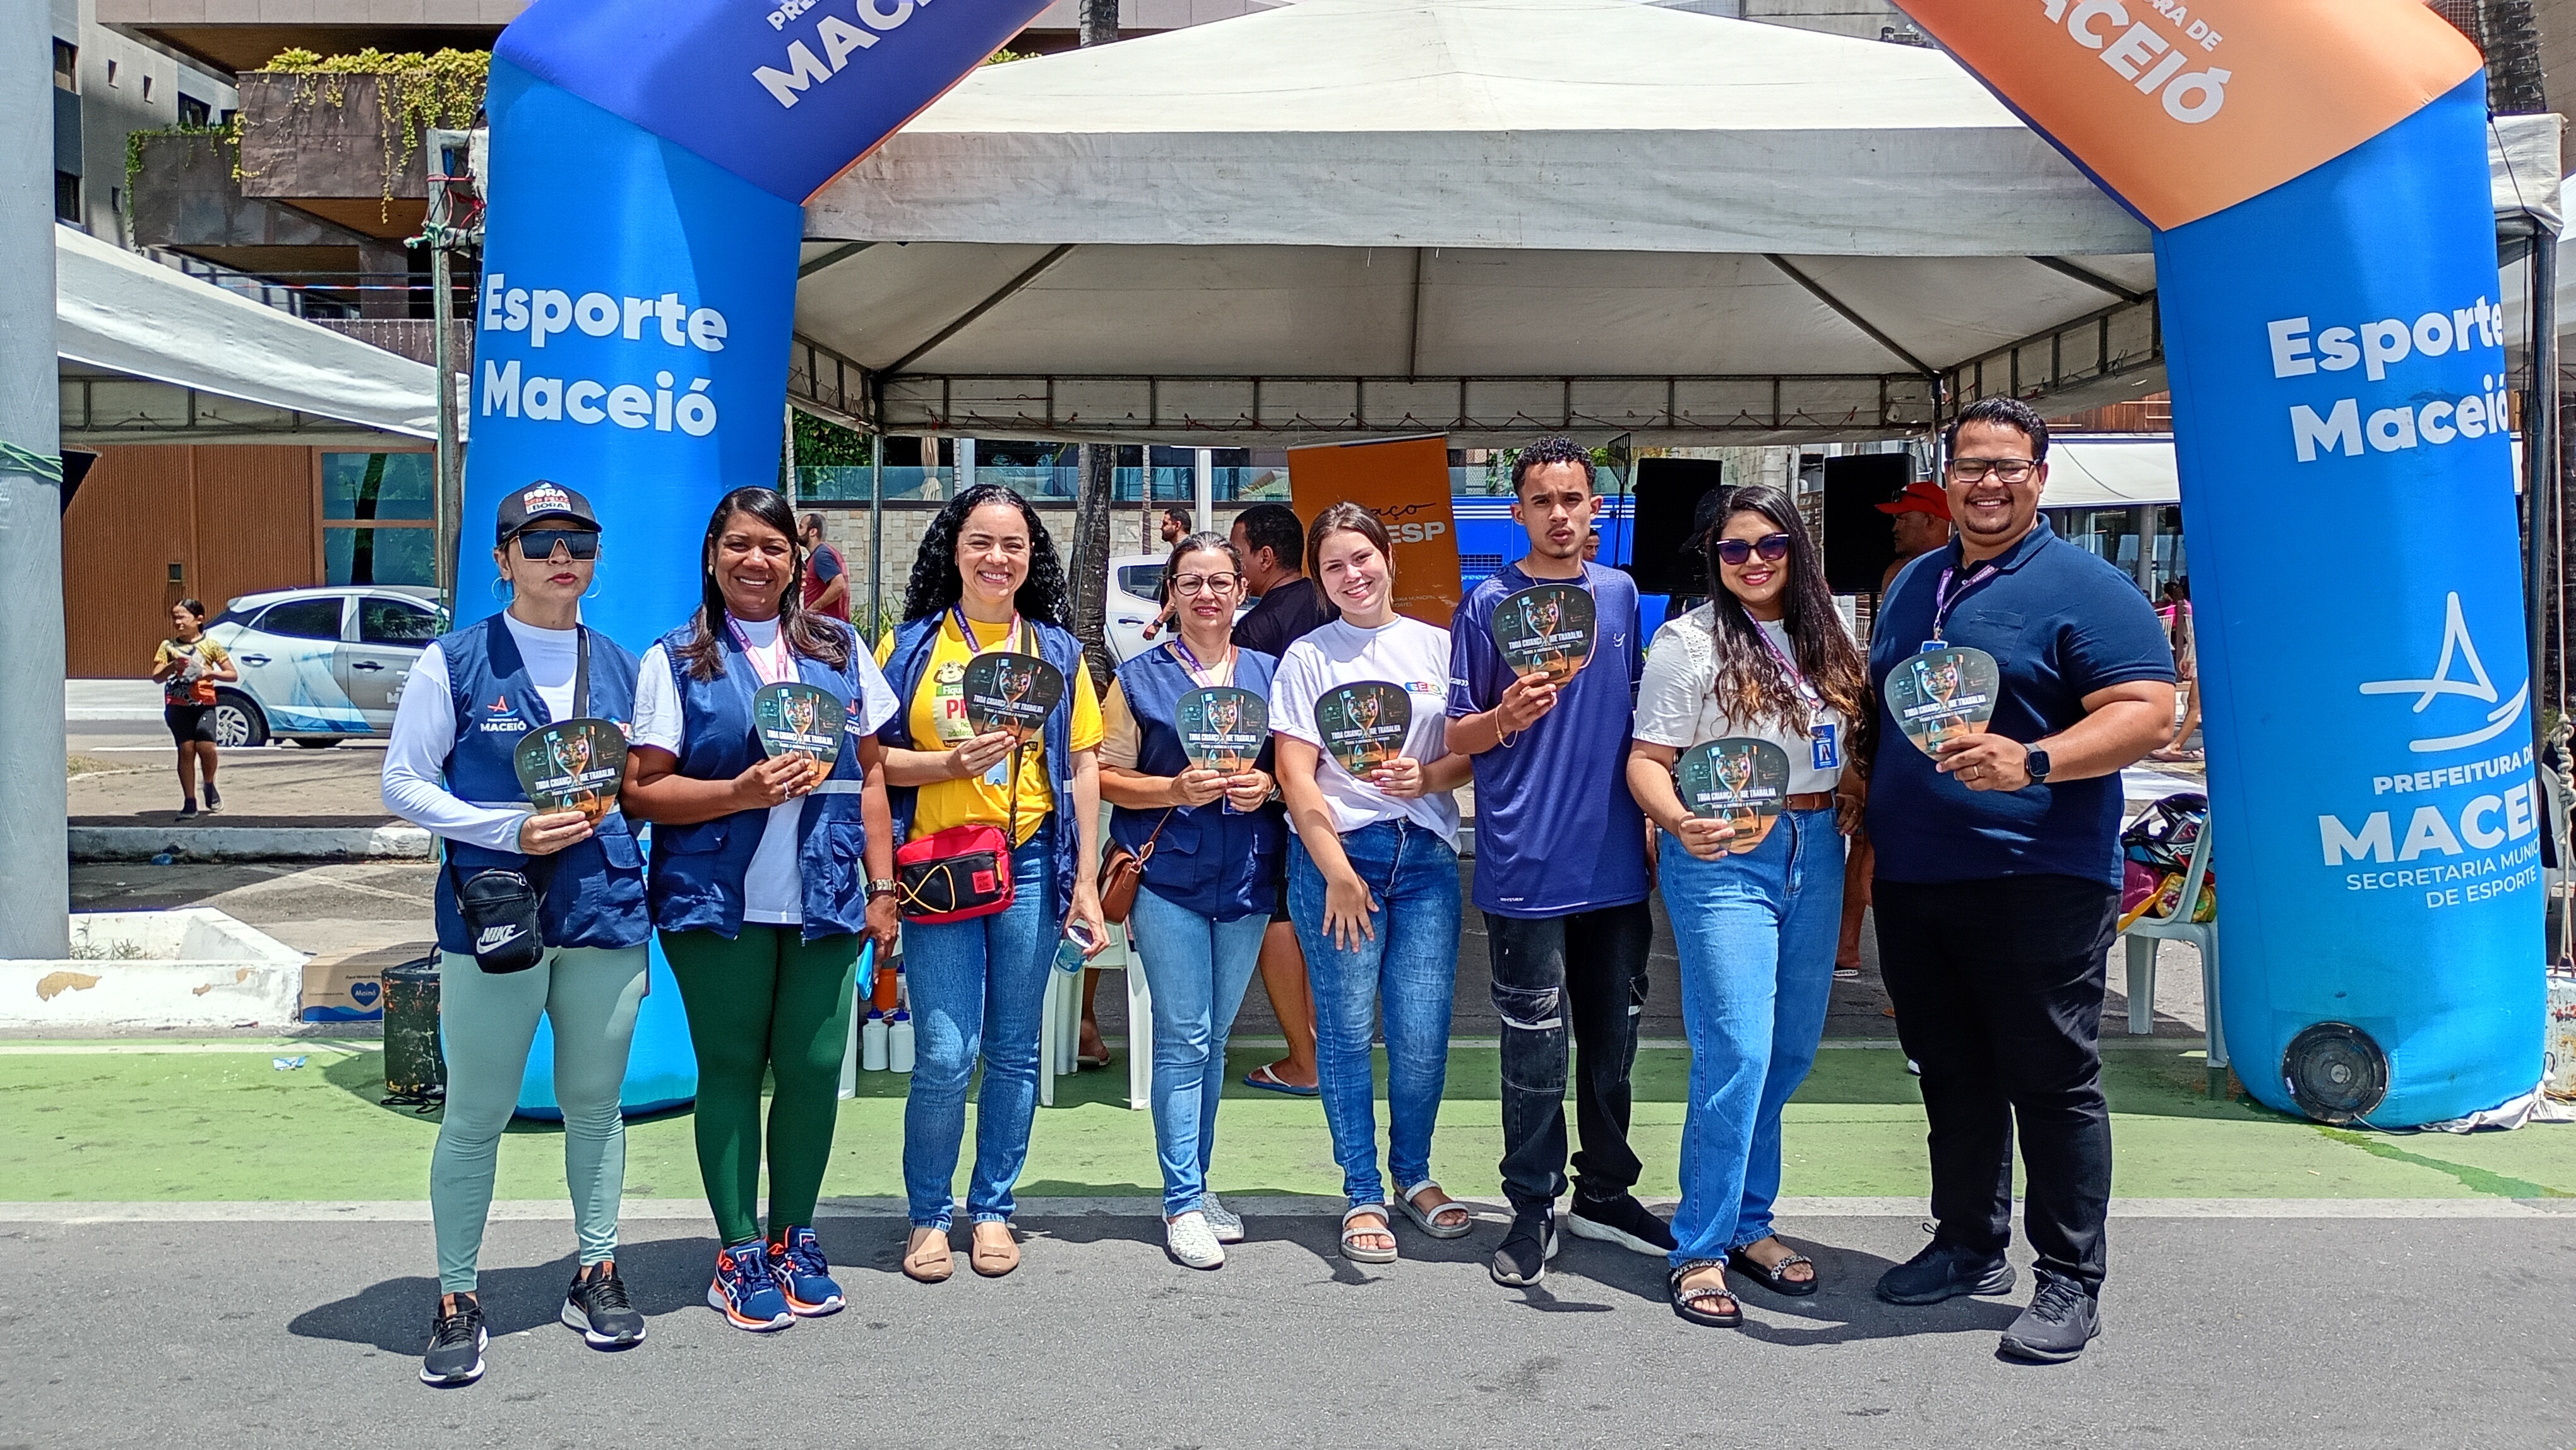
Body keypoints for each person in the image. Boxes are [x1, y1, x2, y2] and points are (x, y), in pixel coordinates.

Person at [1865, 396, 2176, 1363]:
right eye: (1971, 465)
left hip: (2037, 876)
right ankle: (1968, 1243)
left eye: (2008, 466)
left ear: (2040, 478)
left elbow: (2150, 710)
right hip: (1917, 878)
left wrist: (2035, 761)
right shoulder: (1917, 584)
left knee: (2050, 1079)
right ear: (1947, 476)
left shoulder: (2088, 588)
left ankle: (2071, 1277)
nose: (1988, 483)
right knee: (1950, 1070)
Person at [380, 481, 651, 1387]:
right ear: (503, 560)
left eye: (578, 541)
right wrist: (507, 828)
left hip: (603, 905)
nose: (560, 558)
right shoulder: (453, 662)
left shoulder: (624, 665)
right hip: (494, 912)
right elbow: (403, 782)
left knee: (596, 1105)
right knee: (476, 1113)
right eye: (538, 544)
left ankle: (596, 1270)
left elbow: (644, 783)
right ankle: (457, 1295)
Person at [621, 487, 901, 1332]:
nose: (756, 560)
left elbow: (873, 772)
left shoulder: (839, 647)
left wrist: (882, 887)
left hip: (825, 892)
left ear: (796, 561)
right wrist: (737, 792)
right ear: (712, 556)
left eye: (774, 547)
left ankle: (795, 1238)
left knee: (814, 1067)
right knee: (733, 1068)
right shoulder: (676, 659)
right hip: (717, 899)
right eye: (739, 545)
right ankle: (738, 1250)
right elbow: (641, 791)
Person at [1625, 484, 1870, 1328]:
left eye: (1771, 544)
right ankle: (1700, 1246)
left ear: (1797, 548)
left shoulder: (1827, 635)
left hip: (1817, 845)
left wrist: (1850, 786)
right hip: (1726, 853)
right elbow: (1647, 760)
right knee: (1737, 1047)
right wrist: (1677, 821)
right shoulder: (1687, 642)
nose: (1754, 560)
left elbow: (1841, 736)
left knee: (1789, 1049)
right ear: (1713, 558)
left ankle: (1748, 1221)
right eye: (1735, 548)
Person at [1444, 436, 1666, 1287]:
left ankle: (1604, 1192)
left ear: (1596, 508)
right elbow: (1458, 734)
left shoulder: (1620, 593)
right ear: (1518, 512)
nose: (1560, 514)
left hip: (1614, 858)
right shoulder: (1485, 605)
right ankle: (1532, 1204)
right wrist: (1504, 716)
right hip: (1524, 860)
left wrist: (1655, 816)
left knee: (1614, 1042)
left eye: (1573, 499)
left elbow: (1642, 719)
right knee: (1534, 1052)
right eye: (1543, 501)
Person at [876, 484, 1108, 1283]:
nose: (996, 558)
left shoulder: (1057, 651)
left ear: (1031, 556)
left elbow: (1083, 763)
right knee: (946, 1052)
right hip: (938, 866)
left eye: (1013, 544)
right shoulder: (909, 646)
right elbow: (871, 759)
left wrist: (1085, 879)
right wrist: (946, 763)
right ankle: (928, 1214)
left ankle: (994, 1207)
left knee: (1014, 1050)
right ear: (953, 548)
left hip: (1032, 860)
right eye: (980, 541)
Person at [1270, 503, 1475, 1264]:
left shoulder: (1439, 645)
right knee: (1347, 1030)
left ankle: (1414, 1174)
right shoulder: (1308, 657)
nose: (1351, 574)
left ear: (1390, 558)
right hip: (1339, 858)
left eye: (1362, 557)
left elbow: (1467, 752)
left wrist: (1429, 776)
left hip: (1425, 859)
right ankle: (1362, 1189)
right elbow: (1295, 772)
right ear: (1319, 579)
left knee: (1421, 1034)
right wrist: (1336, 871)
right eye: (1333, 565)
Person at [1099, 530, 1283, 1269]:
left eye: (1220, 582)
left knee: (1215, 1039)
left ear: (1242, 590)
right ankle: (1180, 1201)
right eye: (1190, 583)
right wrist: (1171, 788)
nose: (1206, 595)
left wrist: (1267, 783)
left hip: (1246, 878)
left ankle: (1198, 1184)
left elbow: (1295, 768)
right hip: (1167, 878)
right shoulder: (1137, 679)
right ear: (1170, 595)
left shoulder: (1272, 673)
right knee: (1184, 1037)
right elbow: (1105, 775)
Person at [1229, 501, 1335, 1096]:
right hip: (1346, 793)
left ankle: (1305, 1056)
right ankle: (1329, 1048)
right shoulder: (1336, 606)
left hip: (1276, 794)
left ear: (1265, 557)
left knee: (1281, 916)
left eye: (1238, 555)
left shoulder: (1258, 630)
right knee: (1327, 917)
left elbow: (1243, 723)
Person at [1837, 479, 1956, 976]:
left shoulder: (1930, 572)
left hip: (1926, 726)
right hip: (1897, 720)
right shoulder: (1904, 573)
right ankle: (1851, 949)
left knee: (1879, 844)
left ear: (1934, 521)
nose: (1895, 525)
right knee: (1868, 839)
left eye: (1903, 516)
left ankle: (1871, 957)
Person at [153, 599, 236, 818]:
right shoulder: (168, 646)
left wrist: (210, 673)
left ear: (199, 619)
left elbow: (232, 674)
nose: (178, 622)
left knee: (207, 747)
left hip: (204, 703)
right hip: (177, 705)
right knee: (186, 750)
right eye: (175, 618)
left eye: (182, 617)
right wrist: (172, 666)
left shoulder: (211, 645)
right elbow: (157, 677)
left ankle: (209, 783)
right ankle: (189, 800)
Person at [2150, 577, 2202, 762]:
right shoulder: (2194, 608)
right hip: (2201, 659)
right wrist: (2188, 657)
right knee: (2197, 703)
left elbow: (2196, 638)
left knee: (2195, 704)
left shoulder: (2193, 608)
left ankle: (2176, 746)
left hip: (2204, 661)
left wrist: (2189, 658)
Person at [1136, 506, 1195, 642]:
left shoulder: (1184, 554)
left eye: (1165, 523)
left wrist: (1158, 623)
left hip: (1182, 628)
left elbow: (1178, 595)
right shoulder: (1188, 550)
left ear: (1177, 525)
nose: (1161, 528)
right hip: (1184, 626)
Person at [799, 512, 851, 623]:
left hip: (825, 624)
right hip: (829, 623)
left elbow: (839, 585)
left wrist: (811, 611)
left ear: (813, 532)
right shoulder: (825, 553)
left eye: (801, 527)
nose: (797, 532)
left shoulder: (821, 556)